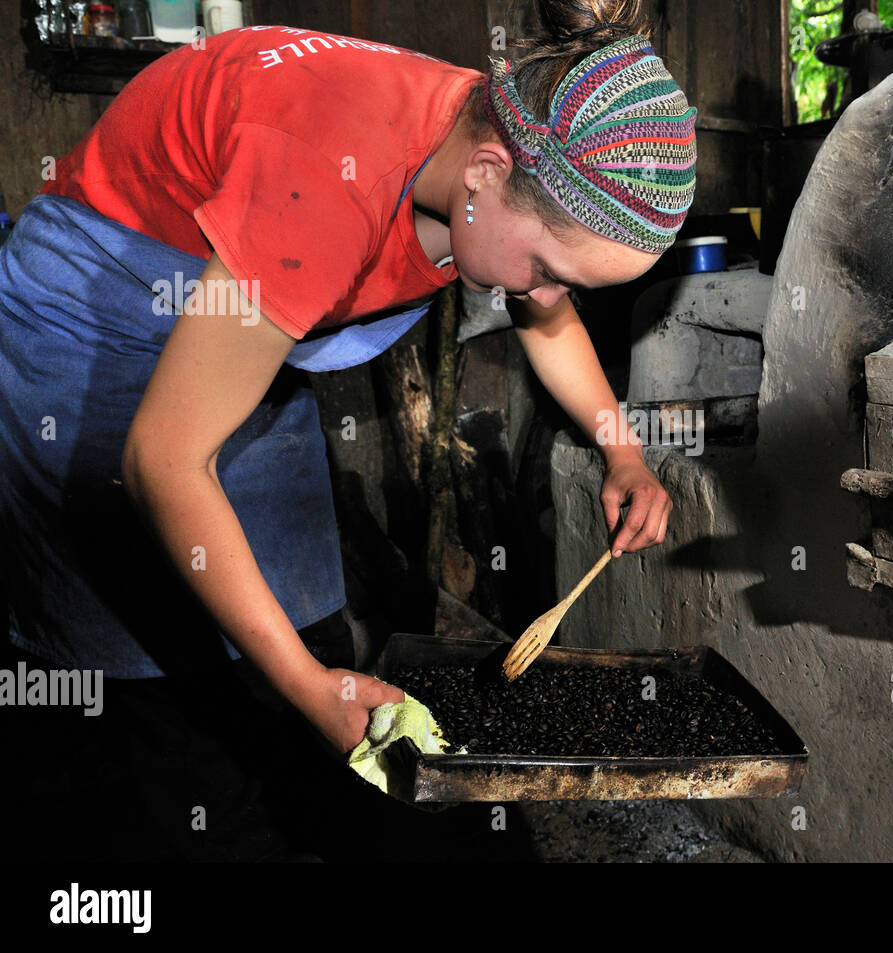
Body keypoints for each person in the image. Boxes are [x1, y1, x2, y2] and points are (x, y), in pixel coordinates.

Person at [0, 0, 697, 859]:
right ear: (483, 174)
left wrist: (620, 452)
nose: (545, 292)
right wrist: (301, 684)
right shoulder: (326, 179)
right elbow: (166, 458)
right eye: (548, 268)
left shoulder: (506, 145)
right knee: (159, 677)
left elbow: (544, 314)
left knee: (308, 631)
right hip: (103, 314)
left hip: (247, 300)